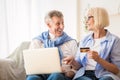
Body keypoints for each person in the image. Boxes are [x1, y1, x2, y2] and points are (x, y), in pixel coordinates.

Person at [64, 7, 120, 80]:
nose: (86, 21)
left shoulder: (114, 40)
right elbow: (78, 66)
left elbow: (116, 70)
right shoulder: (84, 40)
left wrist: (99, 59)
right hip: (85, 74)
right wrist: (73, 62)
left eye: (89, 18)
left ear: (98, 18)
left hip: (105, 74)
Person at [26, 10, 78, 80]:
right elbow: (30, 65)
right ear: (48, 25)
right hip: (40, 74)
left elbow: (78, 65)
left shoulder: (71, 42)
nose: (62, 26)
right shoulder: (37, 41)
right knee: (31, 78)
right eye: (58, 24)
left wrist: (71, 72)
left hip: (61, 75)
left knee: (56, 76)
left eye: (62, 23)